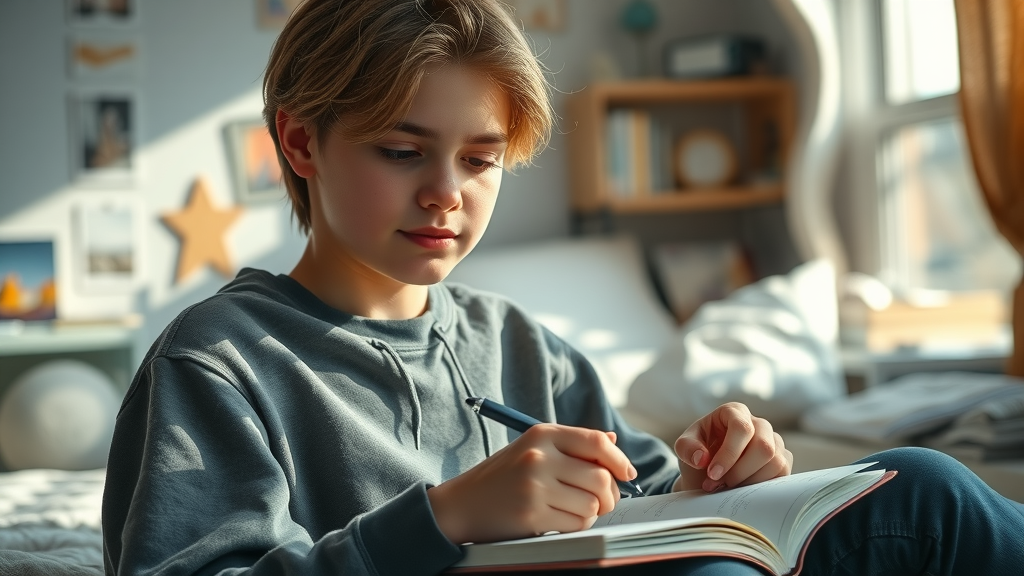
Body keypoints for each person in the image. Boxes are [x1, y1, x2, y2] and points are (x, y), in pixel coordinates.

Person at [100, 1, 1024, 575]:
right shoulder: (217, 363)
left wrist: (719, 480)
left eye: (481, 160)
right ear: (300, 144)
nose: (445, 194)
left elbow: (648, 498)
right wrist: (445, 518)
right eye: (401, 151)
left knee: (923, 484)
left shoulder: (517, 342)